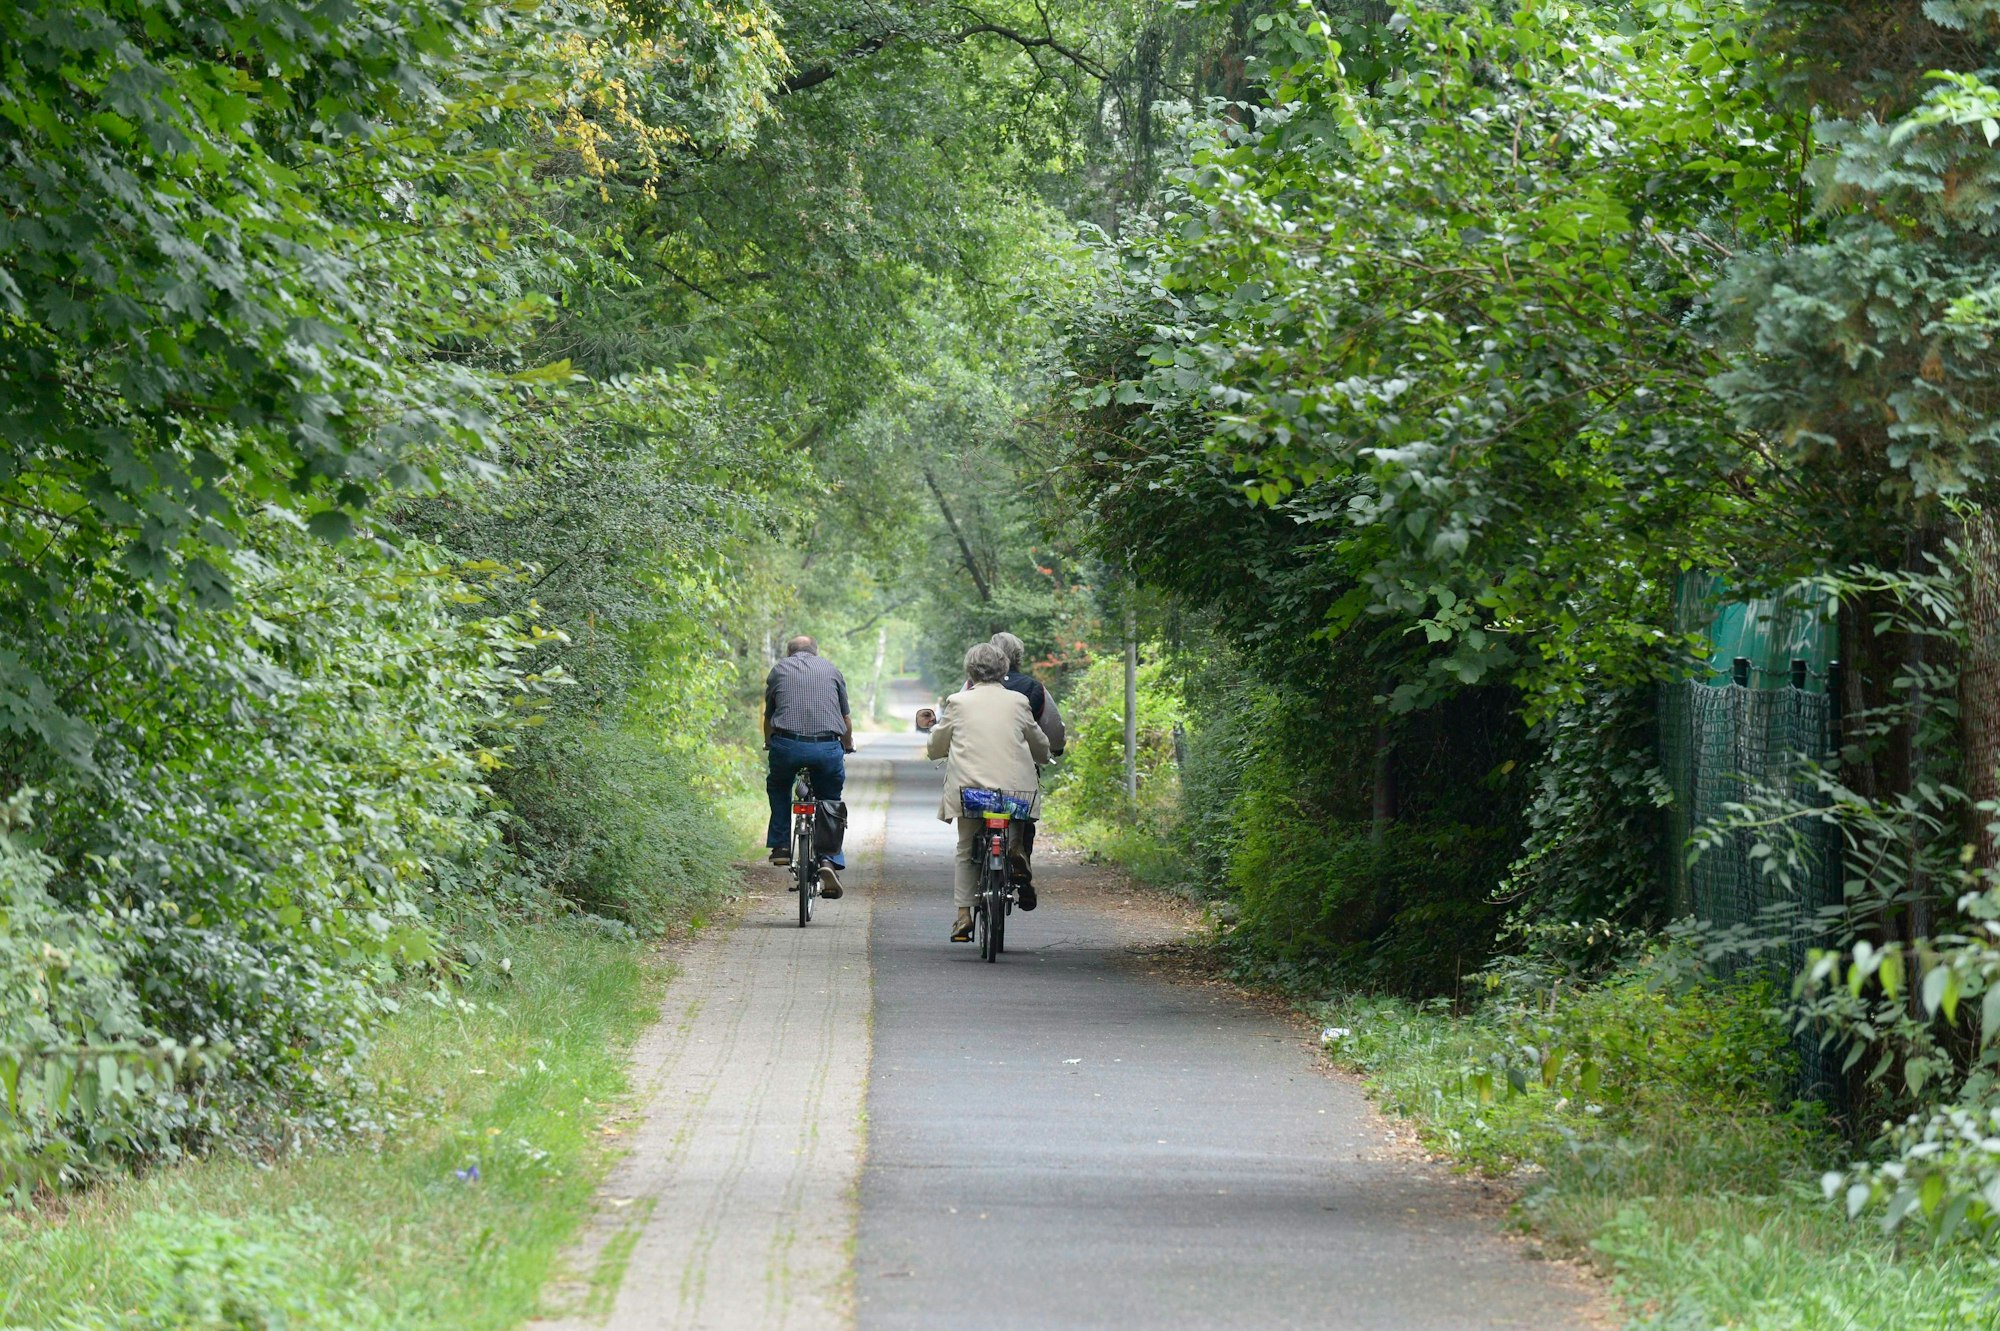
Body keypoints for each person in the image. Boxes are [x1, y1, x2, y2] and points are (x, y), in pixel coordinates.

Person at [922, 642, 1050, 941]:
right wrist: (1042, 756)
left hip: (971, 792)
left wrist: (937, 748)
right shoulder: (1019, 701)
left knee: (966, 850)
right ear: (1004, 668)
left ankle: (963, 915)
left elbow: (936, 746)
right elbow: (1040, 744)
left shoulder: (958, 701)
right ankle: (1016, 847)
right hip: (1014, 794)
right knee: (1014, 814)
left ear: (970, 670)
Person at [764, 635, 853, 899]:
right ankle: (828, 859)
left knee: (779, 785)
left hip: (787, 746)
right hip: (826, 748)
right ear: (816, 652)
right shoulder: (832, 670)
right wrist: (847, 745)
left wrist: (769, 742)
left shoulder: (779, 670)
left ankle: (780, 846)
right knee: (829, 800)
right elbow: (845, 718)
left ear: (789, 652)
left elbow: (769, 717)